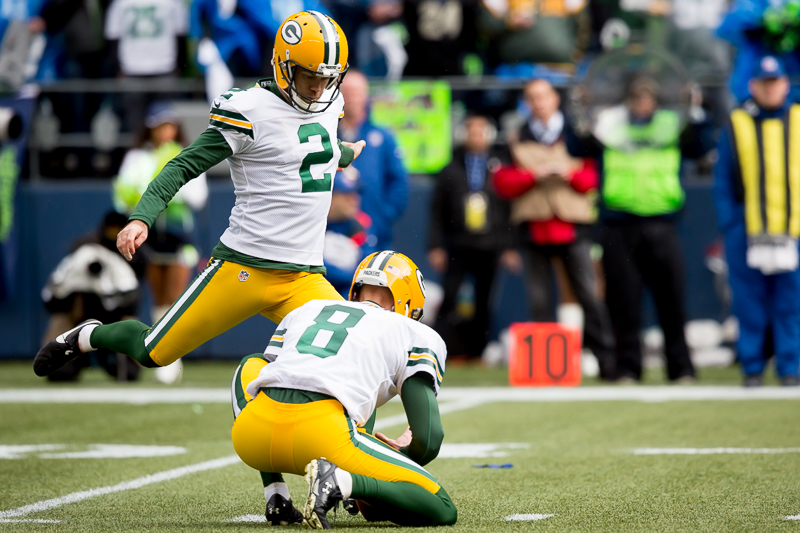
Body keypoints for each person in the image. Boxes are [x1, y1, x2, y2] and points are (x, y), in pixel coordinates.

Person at [33, 11, 366, 379]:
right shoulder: (250, 110)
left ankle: (350, 434)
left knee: (357, 346)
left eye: (326, 78)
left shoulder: (328, 104)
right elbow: (182, 166)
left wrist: (344, 153)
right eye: (309, 76)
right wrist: (142, 216)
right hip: (245, 267)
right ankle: (89, 336)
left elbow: (316, 146)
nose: (318, 88)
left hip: (303, 274)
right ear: (283, 66)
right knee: (152, 351)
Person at [230, 251, 457, 528]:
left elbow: (271, 371)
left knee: (252, 364)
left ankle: (275, 493)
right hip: (324, 437)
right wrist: (401, 460)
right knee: (443, 508)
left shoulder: (307, 310)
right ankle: (342, 480)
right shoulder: (410, 330)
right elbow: (429, 438)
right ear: (409, 303)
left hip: (251, 438)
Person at [569, 75, 714, 383]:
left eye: (647, 97)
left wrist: (697, 110)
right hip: (619, 224)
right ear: (628, 99)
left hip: (662, 221)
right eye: (636, 97)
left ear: (657, 100)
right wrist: (579, 114)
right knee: (623, 304)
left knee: (672, 302)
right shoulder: (609, 124)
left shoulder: (670, 123)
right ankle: (627, 368)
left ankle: (681, 368)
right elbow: (577, 146)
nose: (642, 102)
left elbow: (701, 145)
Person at [493, 79, 616, 380]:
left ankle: (609, 364)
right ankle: (546, 369)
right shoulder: (516, 136)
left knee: (589, 295)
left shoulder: (578, 132)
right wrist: (535, 175)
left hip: (573, 225)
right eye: (532, 97)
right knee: (539, 301)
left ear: (555, 99)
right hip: (534, 226)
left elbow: (593, 177)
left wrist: (568, 174)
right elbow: (503, 182)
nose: (539, 103)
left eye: (543, 96)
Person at [713, 55, 800, 387]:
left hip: (792, 229)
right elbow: (723, 178)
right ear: (753, 86)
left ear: (785, 84)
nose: (770, 89)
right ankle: (752, 366)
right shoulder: (738, 122)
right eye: (764, 83)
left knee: (790, 302)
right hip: (746, 230)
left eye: (775, 82)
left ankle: (790, 366)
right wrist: (731, 224)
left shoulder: (797, 118)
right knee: (749, 301)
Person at [428, 114, 518, 360]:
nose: (476, 137)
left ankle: (478, 352)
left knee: (484, 300)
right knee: (450, 298)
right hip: (458, 243)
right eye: (471, 131)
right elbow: (437, 210)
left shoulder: (500, 167)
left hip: (490, 244)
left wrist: (510, 246)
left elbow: (509, 208)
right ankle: (439, 351)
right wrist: (436, 245)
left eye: (481, 131)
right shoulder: (451, 169)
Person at [40, 211, 142, 382]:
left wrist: (106, 302)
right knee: (60, 322)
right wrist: (75, 297)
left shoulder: (134, 257)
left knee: (128, 323)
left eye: (117, 231)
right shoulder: (81, 253)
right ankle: (56, 356)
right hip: (77, 322)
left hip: (111, 323)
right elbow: (51, 298)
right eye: (110, 230)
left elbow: (132, 301)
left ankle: (125, 359)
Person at [338, 69, 408, 250]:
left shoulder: (383, 137)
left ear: (366, 96)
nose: (351, 98)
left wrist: (383, 215)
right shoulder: (327, 135)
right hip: (333, 232)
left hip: (375, 233)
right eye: (346, 93)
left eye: (356, 93)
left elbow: (399, 182)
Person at [323, 166, 376, 297]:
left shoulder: (360, 224)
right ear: (330, 196)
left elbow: (367, 274)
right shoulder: (310, 223)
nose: (354, 200)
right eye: (347, 194)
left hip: (347, 294)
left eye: (356, 194)